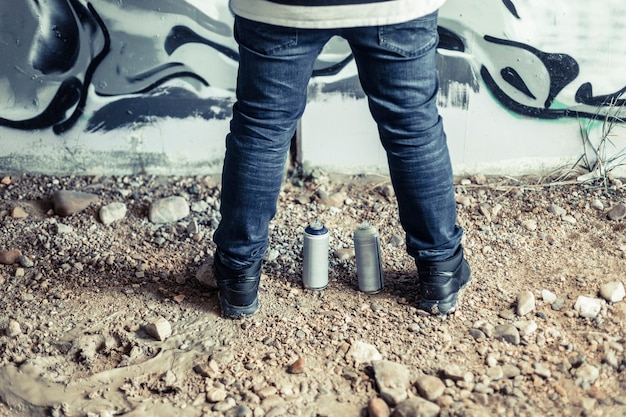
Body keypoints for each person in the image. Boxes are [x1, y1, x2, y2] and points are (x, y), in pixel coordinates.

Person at [205, 0, 471, 318]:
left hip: (280, 8)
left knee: (262, 130)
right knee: (412, 128)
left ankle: (238, 276)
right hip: (395, 7)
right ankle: (440, 270)